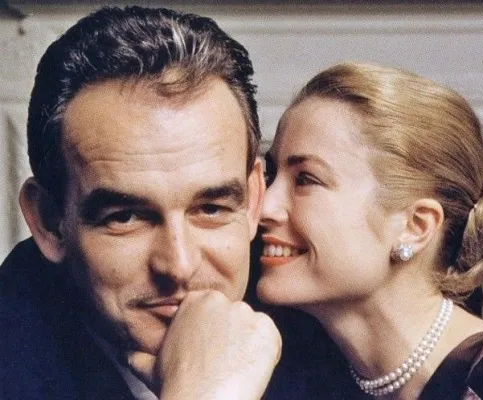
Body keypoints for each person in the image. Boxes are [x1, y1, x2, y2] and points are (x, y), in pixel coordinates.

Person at [0, 6, 283, 399]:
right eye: (126, 217)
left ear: (253, 200)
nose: (179, 266)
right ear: (49, 222)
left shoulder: (313, 324)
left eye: (210, 209)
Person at [258, 62, 483, 399]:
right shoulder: (290, 370)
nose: (263, 207)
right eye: (271, 176)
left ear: (415, 227)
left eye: (305, 179)